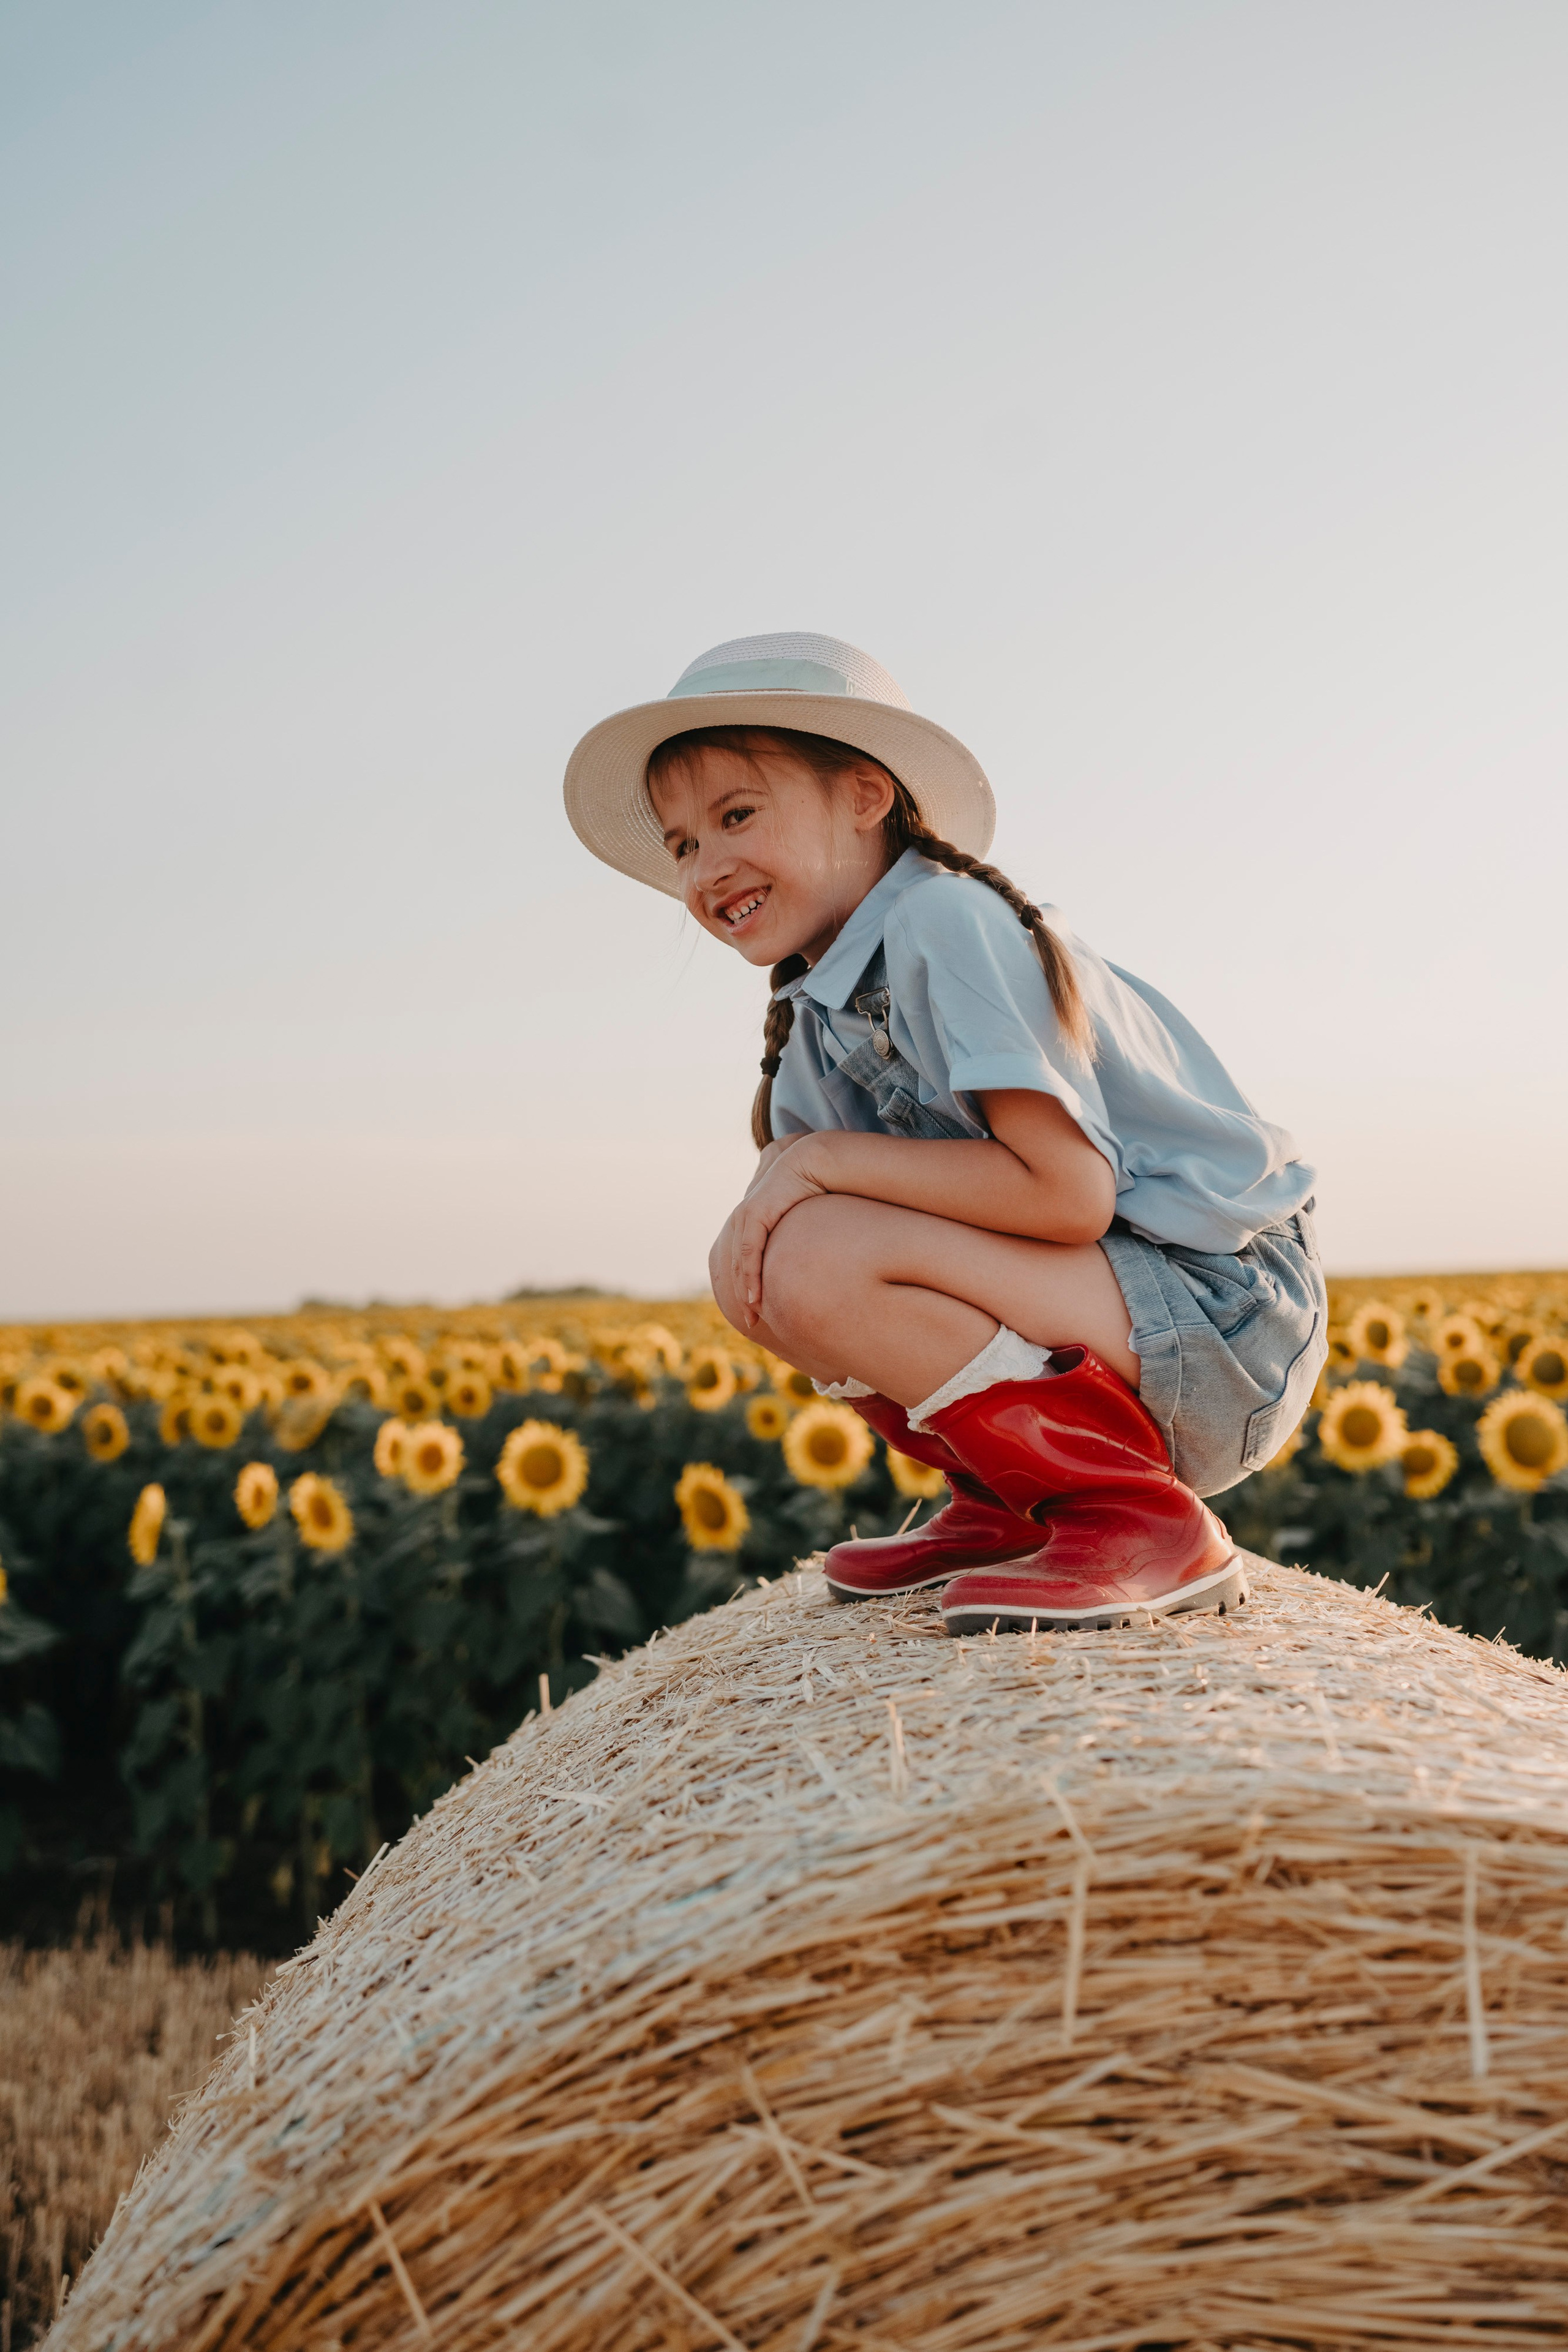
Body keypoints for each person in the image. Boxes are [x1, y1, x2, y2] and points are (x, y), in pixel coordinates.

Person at [565, 632, 1325, 1634]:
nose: (708, 866)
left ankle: (1137, 1517)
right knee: (773, 1272)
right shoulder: (813, 1015)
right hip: (1123, 1316)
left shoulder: (943, 919)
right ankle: (1014, 1497)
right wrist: (775, 1202)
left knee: (813, 1251)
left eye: (736, 814)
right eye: (683, 845)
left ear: (866, 797)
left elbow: (1068, 1194)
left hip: (1224, 1316)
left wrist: (815, 1163)